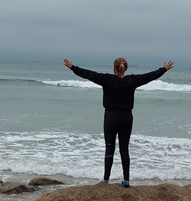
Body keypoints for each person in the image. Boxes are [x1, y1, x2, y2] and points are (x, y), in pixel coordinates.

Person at [63, 57, 174, 187]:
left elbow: (89, 74)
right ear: (125, 68)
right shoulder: (132, 80)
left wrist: (72, 67)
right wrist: (163, 69)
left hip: (110, 117)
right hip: (126, 118)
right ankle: (126, 180)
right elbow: (149, 76)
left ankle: (105, 180)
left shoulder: (106, 79)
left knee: (109, 147)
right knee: (124, 149)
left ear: (114, 68)